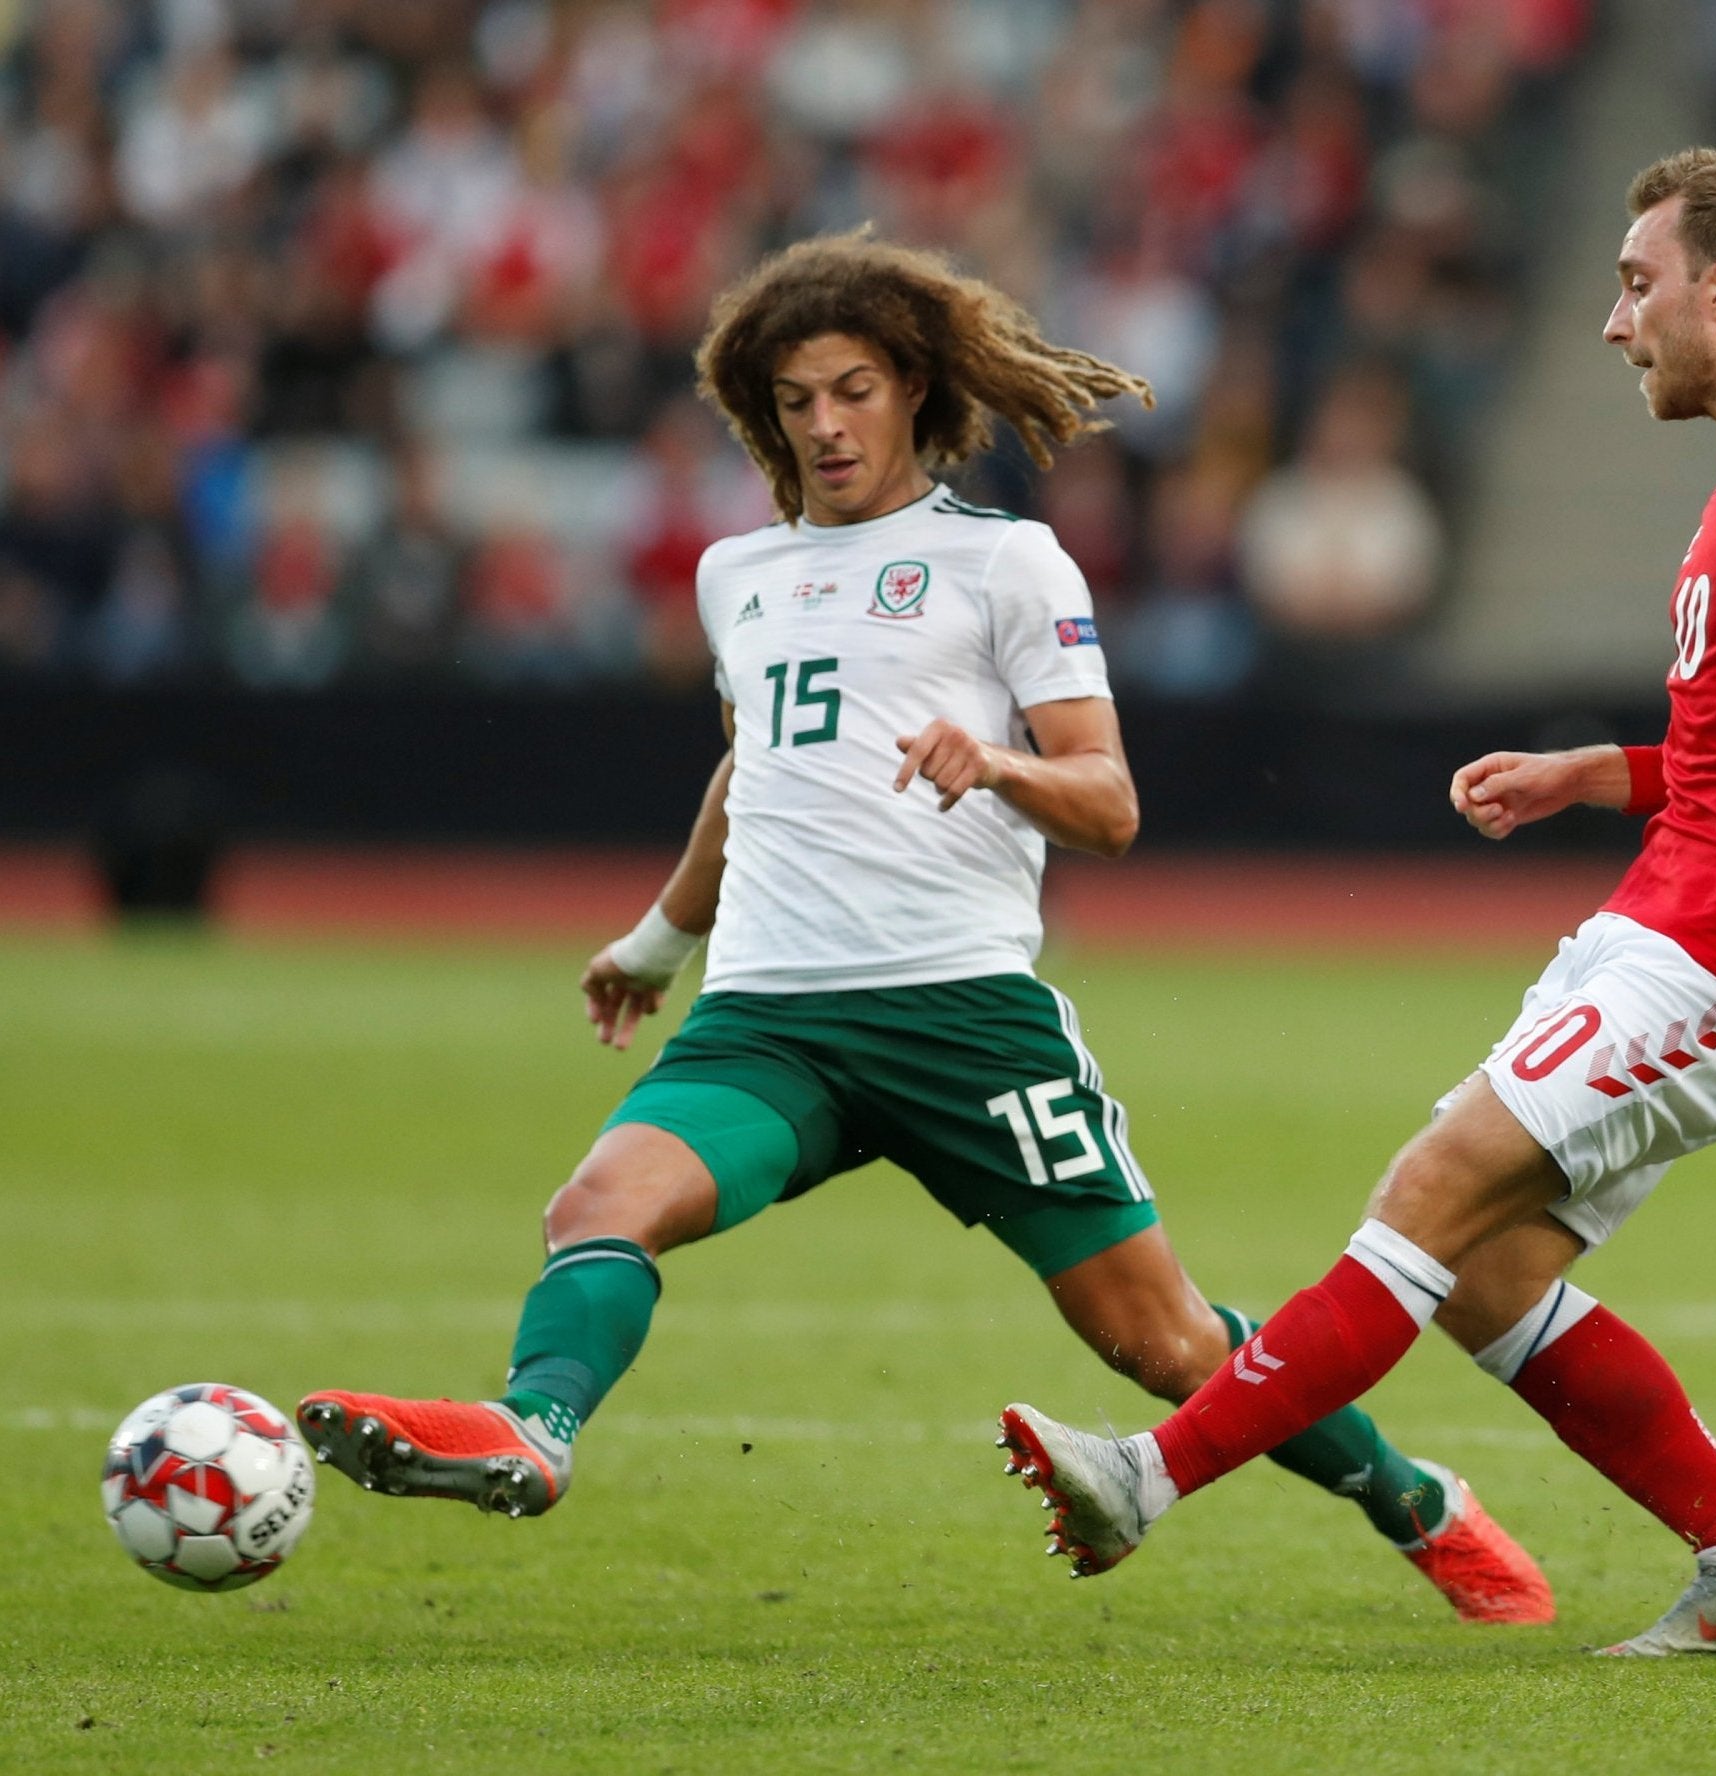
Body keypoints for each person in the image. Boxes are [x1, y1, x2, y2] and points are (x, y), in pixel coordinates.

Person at [298, 231, 1553, 1625]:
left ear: (911, 390)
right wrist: (658, 943)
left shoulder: (1008, 565)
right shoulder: (739, 576)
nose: (824, 426)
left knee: (1163, 1342)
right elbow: (751, 770)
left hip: (958, 1017)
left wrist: (1001, 764)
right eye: (794, 402)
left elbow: (1113, 805)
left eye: (851, 391)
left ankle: (1414, 1501)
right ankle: (535, 1429)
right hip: (769, 1019)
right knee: (598, 1204)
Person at [996, 150, 1716, 1656]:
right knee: (1485, 1276)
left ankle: (1144, 1477)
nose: (1616, 324)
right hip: (1662, 917)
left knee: (1428, 1189)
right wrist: (1592, 773)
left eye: (1637, 285)